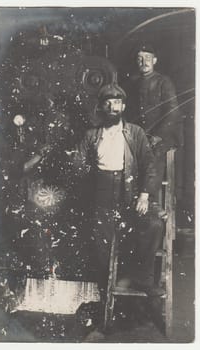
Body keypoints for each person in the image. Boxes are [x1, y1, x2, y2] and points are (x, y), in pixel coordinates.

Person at [71, 83, 164, 304]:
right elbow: (79, 168)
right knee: (101, 247)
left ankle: (143, 279)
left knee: (153, 225)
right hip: (101, 198)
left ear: (123, 106)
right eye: (108, 103)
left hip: (129, 194)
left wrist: (144, 195)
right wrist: (75, 161)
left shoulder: (135, 133)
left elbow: (150, 165)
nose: (113, 107)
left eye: (118, 103)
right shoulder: (92, 135)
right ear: (101, 107)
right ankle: (106, 300)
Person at [124, 44, 182, 196]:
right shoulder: (133, 82)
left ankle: (148, 199)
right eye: (140, 58)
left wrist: (157, 135)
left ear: (155, 60)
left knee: (152, 153)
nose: (144, 62)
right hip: (140, 134)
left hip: (162, 134)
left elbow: (172, 112)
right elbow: (128, 111)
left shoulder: (164, 81)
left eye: (148, 58)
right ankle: (130, 198)